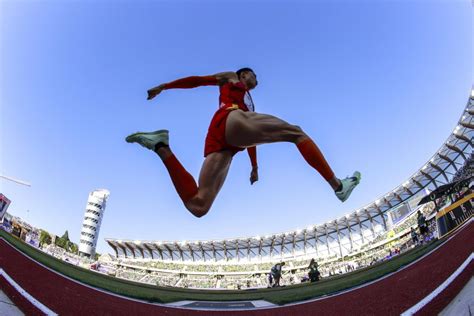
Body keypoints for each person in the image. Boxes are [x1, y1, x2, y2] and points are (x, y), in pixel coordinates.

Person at [126, 68, 361, 218]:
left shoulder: (250, 103)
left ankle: (160, 145)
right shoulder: (231, 78)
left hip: (226, 144)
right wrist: (165, 86)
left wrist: (255, 166)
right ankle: (338, 186)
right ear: (244, 75)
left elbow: (250, 138)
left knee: (199, 205)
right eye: (254, 74)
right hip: (230, 118)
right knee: (296, 133)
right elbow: (198, 81)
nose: (256, 78)